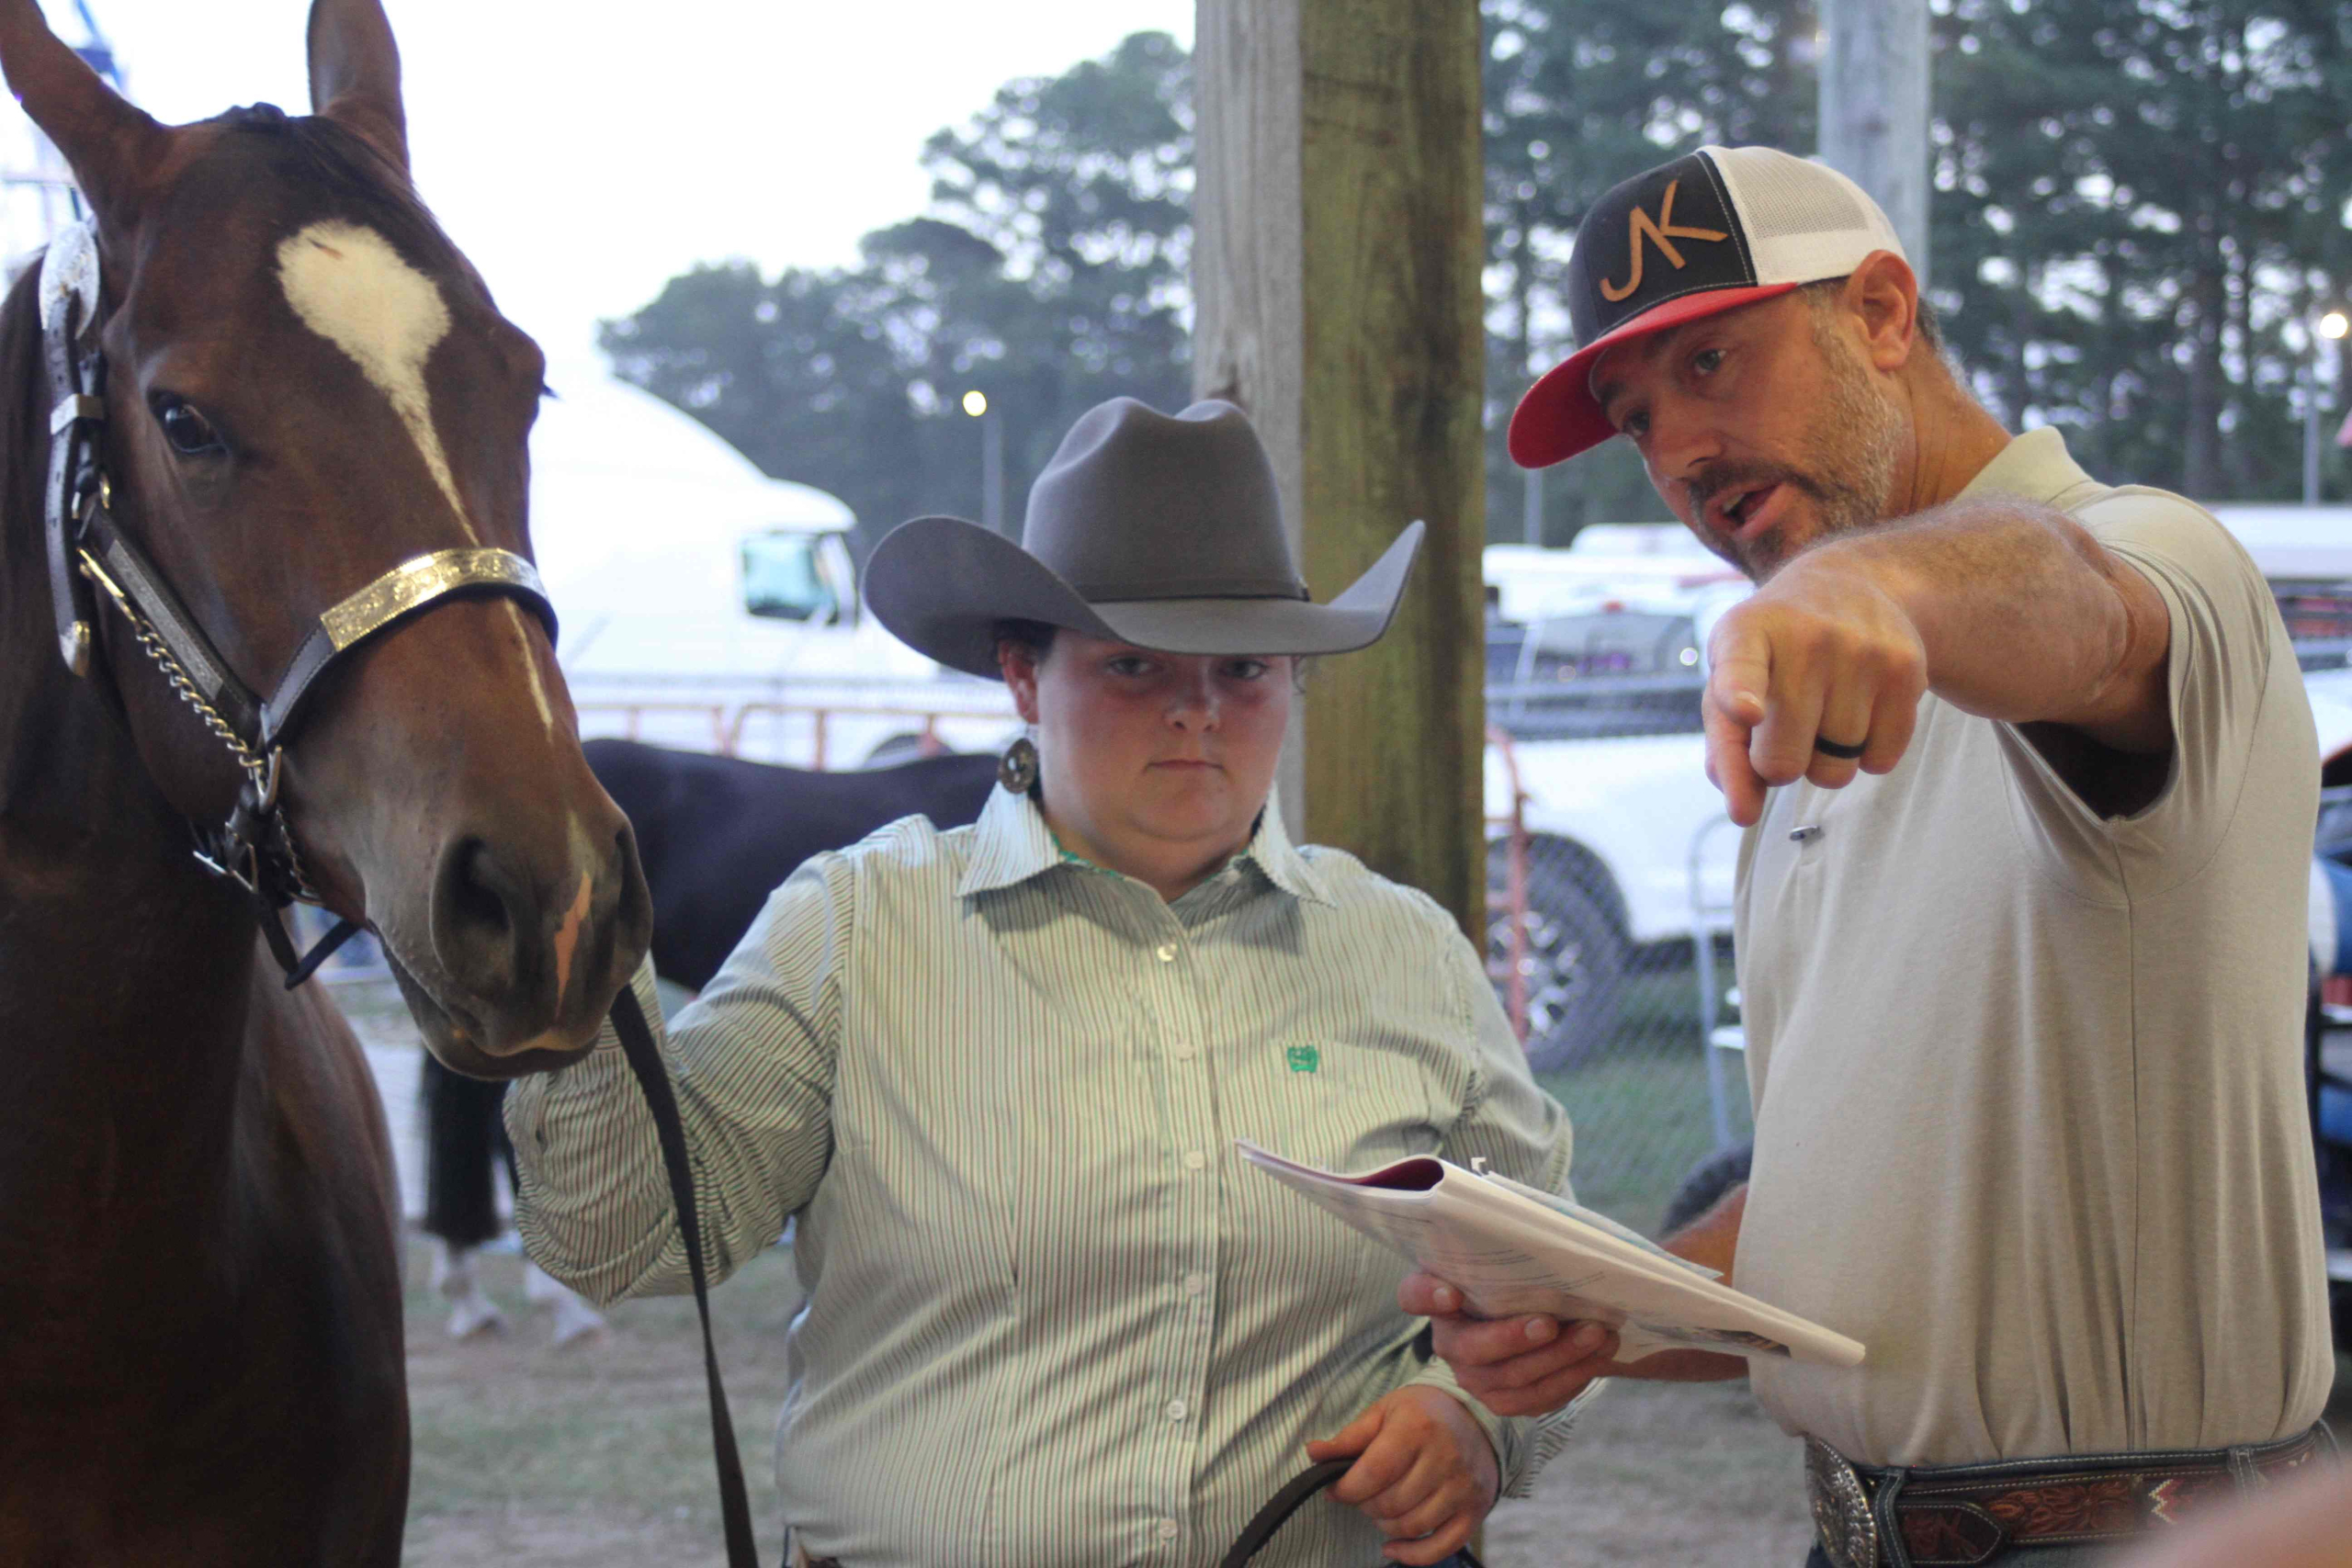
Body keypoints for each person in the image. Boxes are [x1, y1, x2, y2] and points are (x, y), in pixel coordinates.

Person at [1401, 144, 2334, 1566]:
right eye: (1637, 418)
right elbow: (1848, 1204)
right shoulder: (1802, 716)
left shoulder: (2150, 551)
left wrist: (1869, 580)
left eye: (1714, 362)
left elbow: (2087, 608)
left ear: (1885, 314)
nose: (1681, 456)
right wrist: (1611, 1307)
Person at [507, 397, 1581, 1566]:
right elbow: (624, 1236)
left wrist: (1471, 1420)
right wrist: (572, 992)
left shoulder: (1405, 953)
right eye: (1132, 663)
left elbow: (1553, 1279)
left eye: (1245, 666)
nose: (1198, 709)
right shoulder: (857, 931)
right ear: (1023, 676)